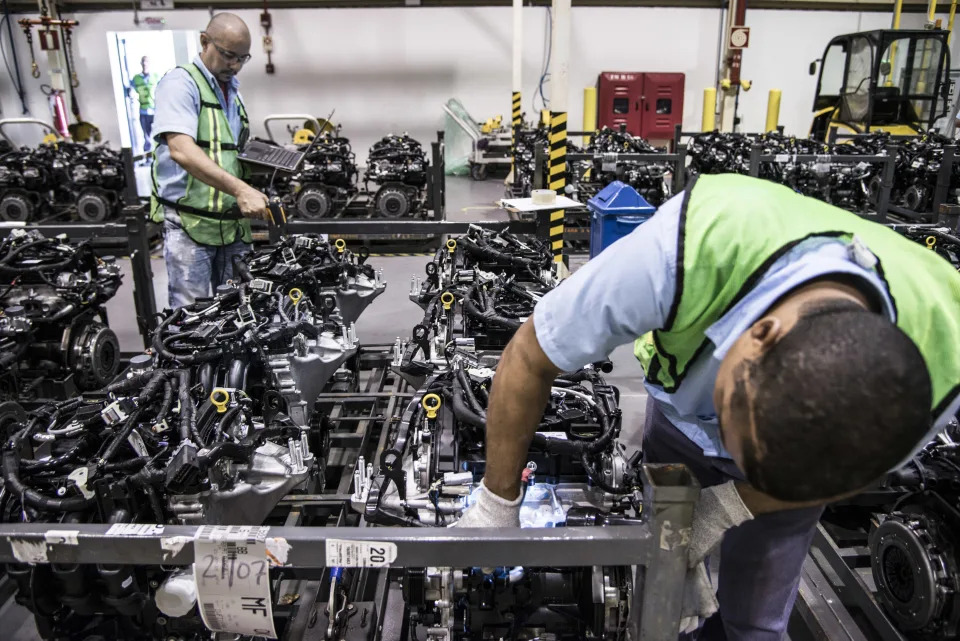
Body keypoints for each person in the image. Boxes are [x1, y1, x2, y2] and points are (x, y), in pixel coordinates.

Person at [455, 173, 960, 640]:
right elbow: (529, 354)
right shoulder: (682, 252)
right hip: (680, 422)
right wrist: (497, 504)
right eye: (734, 421)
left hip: (788, 482)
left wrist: (729, 507)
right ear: (759, 334)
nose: (729, 460)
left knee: (755, 624)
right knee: (656, 587)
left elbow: (853, 474)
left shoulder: (940, 368)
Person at [150, 13, 269, 309]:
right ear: (205, 41)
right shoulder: (181, 84)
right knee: (192, 318)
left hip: (230, 226)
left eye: (243, 58)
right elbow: (181, 149)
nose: (235, 65)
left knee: (238, 311)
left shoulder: (232, 91)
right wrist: (241, 190)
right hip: (191, 226)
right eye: (229, 56)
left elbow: (227, 151)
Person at [128, 56, 160, 153]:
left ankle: (158, 154)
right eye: (143, 63)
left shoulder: (155, 77)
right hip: (143, 111)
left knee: (157, 135)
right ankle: (149, 157)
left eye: (146, 62)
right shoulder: (136, 78)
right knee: (146, 136)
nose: (145, 64)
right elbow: (131, 91)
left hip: (155, 111)